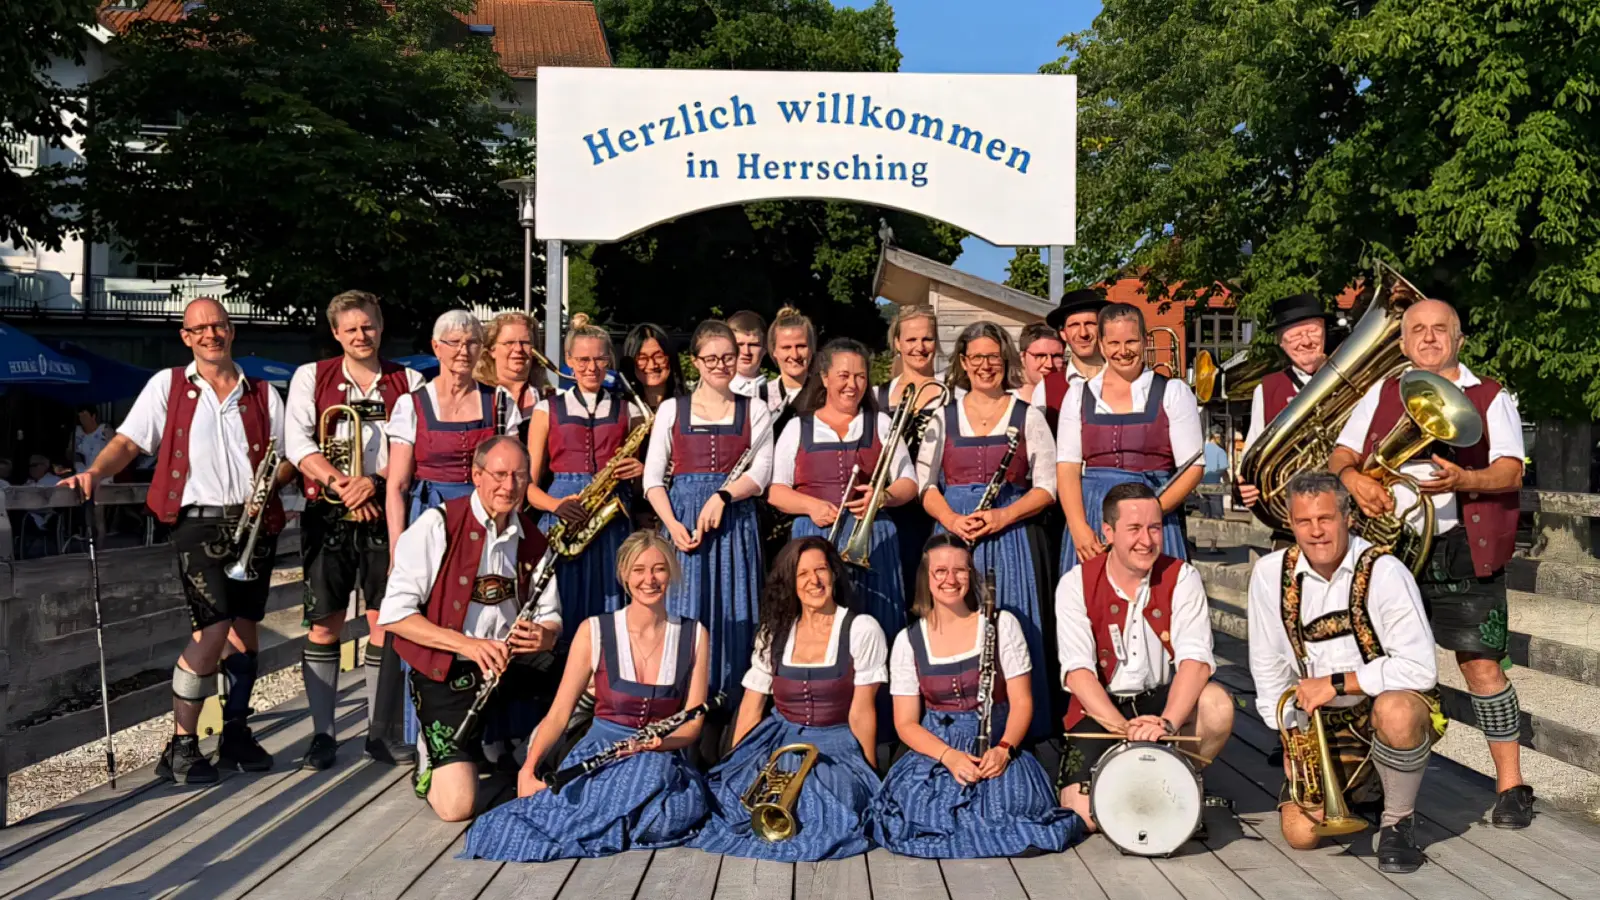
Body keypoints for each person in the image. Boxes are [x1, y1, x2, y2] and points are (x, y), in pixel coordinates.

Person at [64, 297, 291, 783]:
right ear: (186, 337)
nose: (211, 334)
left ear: (232, 331)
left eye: (219, 325)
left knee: (245, 628)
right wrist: (95, 474)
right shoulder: (167, 385)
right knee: (213, 628)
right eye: (200, 328)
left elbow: (287, 455)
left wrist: (271, 486)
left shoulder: (262, 392)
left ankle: (235, 733)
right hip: (197, 523)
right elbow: (129, 441)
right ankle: (182, 744)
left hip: (253, 522)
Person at [1326, 295, 1531, 828]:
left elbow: (1511, 470)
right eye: (1418, 329)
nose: (1429, 337)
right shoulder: (1381, 391)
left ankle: (1511, 785)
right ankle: (1376, 783)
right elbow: (1342, 454)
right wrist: (1353, 481)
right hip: (1389, 551)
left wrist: (1466, 479)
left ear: (1458, 338)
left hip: (1463, 546)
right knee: (1380, 665)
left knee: (1481, 665)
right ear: (1402, 342)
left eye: (1441, 329)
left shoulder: (1489, 396)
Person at [463, 530, 712, 860]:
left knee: (666, 795)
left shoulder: (694, 634)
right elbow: (559, 714)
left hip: (660, 757)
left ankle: (606, 823)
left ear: (672, 573)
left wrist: (658, 744)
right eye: (639, 570)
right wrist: (528, 769)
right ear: (624, 575)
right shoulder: (594, 631)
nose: (649, 580)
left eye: (659, 569)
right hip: (600, 753)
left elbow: (693, 725)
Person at [1248, 472, 1445, 872]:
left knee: (1398, 711)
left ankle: (1397, 823)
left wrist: (1337, 684)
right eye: (1304, 521)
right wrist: (1287, 738)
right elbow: (1268, 664)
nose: (1315, 531)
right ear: (1290, 523)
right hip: (1319, 724)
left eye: (1325, 518)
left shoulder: (1386, 571)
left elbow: (1420, 668)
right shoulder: (1269, 574)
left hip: (1377, 711)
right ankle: (1366, 789)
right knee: (1301, 835)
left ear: (1347, 518)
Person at [378, 436, 560, 819]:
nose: (508, 486)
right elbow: (394, 614)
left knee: (586, 681)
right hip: (448, 669)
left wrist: (545, 634)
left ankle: (520, 753)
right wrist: (467, 645)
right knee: (457, 807)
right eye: (499, 474)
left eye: (519, 476)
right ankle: (431, 757)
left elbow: (551, 616)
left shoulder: (533, 537)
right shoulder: (436, 525)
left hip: (508, 665)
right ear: (477, 475)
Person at [869, 534, 1083, 858]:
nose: (951, 579)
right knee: (919, 811)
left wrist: (1005, 749)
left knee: (1011, 810)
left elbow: (1022, 702)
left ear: (971, 574)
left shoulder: (1002, 625)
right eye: (941, 571)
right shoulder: (907, 641)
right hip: (937, 752)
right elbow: (906, 723)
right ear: (926, 577)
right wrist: (948, 756)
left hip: (994, 747)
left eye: (960, 570)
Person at [284, 290, 425, 769]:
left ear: (380, 328)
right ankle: (322, 734)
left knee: (385, 620)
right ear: (336, 333)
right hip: (329, 511)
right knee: (324, 623)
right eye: (351, 329)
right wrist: (344, 486)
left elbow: (416, 444)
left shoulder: (409, 380)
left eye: (368, 326)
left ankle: (379, 732)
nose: (361, 335)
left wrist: (374, 484)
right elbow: (297, 442)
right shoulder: (311, 376)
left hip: (386, 510)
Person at [692, 537, 886, 861]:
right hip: (778, 739)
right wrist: (735, 763)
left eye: (821, 570)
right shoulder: (774, 632)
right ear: (791, 583)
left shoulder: (861, 629)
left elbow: (862, 711)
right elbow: (752, 706)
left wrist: (869, 775)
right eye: (803, 574)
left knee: (824, 793)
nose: (814, 581)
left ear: (834, 574)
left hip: (835, 743)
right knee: (732, 794)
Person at [1055, 482, 1234, 834]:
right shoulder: (1075, 583)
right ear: (1108, 532)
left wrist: (1166, 724)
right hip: (1103, 710)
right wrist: (1124, 729)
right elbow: (1078, 673)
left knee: (1218, 705)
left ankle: (1174, 776)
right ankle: (1150, 784)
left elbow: (1195, 663)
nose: (1146, 540)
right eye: (1134, 528)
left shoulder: (1182, 577)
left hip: (1160, 705)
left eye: (1154, 528)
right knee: (1084, 817)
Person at [917, 321, 1057, 739]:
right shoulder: (942, 417)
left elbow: (1047, 487)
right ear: (963, 361)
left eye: (993, 357)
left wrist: (1002, 516)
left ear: (1005, 359)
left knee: (1014, 627)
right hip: (954, 536)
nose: (985, 365)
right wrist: (951, 521)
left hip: (1010, 537)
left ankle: (1019, 734)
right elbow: (925, 486)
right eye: (976, 357)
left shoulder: (1028, 415)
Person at [643, 319, 774, 705]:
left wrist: (723, 496)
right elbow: (652, 479)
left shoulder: (755, 409)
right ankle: (682, 707)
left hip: (734, 522)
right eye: (712, 358)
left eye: (728, 357)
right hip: (683, 523)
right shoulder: (672, 409)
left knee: (735, 608)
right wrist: (672, 526)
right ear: (696, 361)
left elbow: (762, 473)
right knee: (684, 610)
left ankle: (730, 709)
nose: (721, 365)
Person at [768, 338, 917, 640]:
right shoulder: (798, 427)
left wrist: (882, 497)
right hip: (815, 536)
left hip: (872, 537)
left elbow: (909, 483)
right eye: (844, 376)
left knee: (879, 619)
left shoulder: (881, 423)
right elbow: (776, 491)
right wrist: (811, 506)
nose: (853, 385)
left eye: (860, 376)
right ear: (825, 378)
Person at [1056, 302, 1204, 572]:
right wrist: (1078, 528)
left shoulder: (1173, 391)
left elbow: (1193, 468)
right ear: (1102, 345)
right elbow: (1067, 467)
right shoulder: (1078, 394)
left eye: (1131, 342)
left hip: (1154, 513)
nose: (1123, 351)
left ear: (1145, 341)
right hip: (1095, 516)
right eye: (1114, 343)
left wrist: (1147, 514)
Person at [525, 315, 648, 630]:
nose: (591, 367)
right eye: (582, 360)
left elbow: (638, 488)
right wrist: (556, 505)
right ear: (568, 361)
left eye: (599, 359)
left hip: (612, 516)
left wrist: (640, 472)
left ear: (609, 360)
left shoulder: (630, 411)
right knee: (559, 601)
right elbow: (527, 486)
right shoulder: (545, 410)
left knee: (611, 604)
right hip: (562, 517)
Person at [385, 309, 523, 545]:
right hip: (429, 520)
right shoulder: (411, 405)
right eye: (454, 342)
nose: (463, 351)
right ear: (436, 347)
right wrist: (397, 550)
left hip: (487, 518)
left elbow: (516, 474)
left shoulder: (500, 402)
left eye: (472, 343)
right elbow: (398, 485)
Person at [876, 305, 948, 594]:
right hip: (892, 508)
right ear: (897, 343)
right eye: (911, 340)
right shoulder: (877, 396)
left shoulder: (955, 394)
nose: (920, 347)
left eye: (927, 339)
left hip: (939, 506)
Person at [1239, 294, 1331, 507]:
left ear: (1325, 332)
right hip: (1291, 507)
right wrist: (1243, 487)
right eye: (1296, 335)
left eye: (1313, 331)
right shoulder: (1266, 390)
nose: (1306, 341)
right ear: (1281, 342)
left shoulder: (1354, 379)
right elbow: (1253, 455)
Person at [1032, 289, 1108, 432]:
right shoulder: (1046, 389)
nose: (1083, 333)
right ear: (1063, 333)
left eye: (1090, 323)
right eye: (1074, 325)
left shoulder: (1125, 381)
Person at [476, 312, 546, 446]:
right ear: (492, 350)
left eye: (525, 343)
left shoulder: (548, 398)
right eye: (509, 343)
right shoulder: (478, 397)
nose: (518, 349)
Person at [758, 306, 815, 430]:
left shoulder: (827, 395)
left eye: (801, 346)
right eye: (786, 347)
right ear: (774, 350)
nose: (795, 355)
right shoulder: (759, 397)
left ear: (811, 348)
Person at [621, 322, 686, 415]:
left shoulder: (690, 406)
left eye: (659, 357)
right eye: (642, 358)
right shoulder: (620, 410)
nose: (652, 365)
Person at [1016, 322, 1065, 402]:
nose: (1049, 364)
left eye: (1056, 356)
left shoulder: (1073, 398)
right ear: (1022, 357)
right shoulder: (1004, 403)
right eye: (1040, 355)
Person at [727, 309, 768, 399]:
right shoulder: (714, 392)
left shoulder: (776, 394)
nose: (746, 352)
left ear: (765, 348)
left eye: (753, 345)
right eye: (740, 344)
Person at [71, 406, 113, 474]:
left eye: (84, 416)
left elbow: (114, 450)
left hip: (104, 474)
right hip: (85, 474)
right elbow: (71, 453)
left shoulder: (104, 429)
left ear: (93, 416)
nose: (82, 419)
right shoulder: (78, 432)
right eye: (80, 416)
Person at [1201, 426, 1230, 520]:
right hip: (1214, 486)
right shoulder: (1220, 451)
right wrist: (1228, 483)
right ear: (1218, 437)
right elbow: (1223, 471)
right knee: (1217, 517)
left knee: (1205, 515)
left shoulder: (1202, 450)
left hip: (1201, 485)